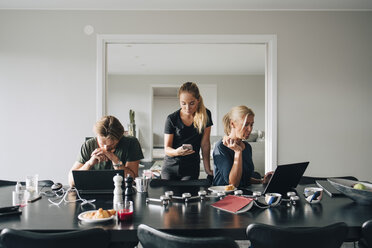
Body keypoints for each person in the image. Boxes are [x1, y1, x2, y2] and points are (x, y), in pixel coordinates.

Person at [68, 115, 144, 187]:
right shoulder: (88, 145)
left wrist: (115, 160)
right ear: (97, 136)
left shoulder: (131, 143)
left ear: (120, 138)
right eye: (102, 143)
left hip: (122, 193)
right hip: (92, 194)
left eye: (111, 145)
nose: (106, 148)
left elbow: (133, 180)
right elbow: (71, 182)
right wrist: (89, 164)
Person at [162, 82, 213, 180]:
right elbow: (167, 148)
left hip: (191, 167)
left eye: (192, 103)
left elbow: (205, 143)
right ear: (179, 101)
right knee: (169, 195)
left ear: (198, 100)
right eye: (183, 103)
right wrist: (177, 152)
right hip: (170, 167)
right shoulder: (171, 119)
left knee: (189, 194)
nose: (187, 108)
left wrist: (208, 169)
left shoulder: (206, 114)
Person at [213, 105, 272, 187]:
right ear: (232, 124)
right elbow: (233, 184)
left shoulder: (247, 147)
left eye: (251, 125)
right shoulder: (221, 147)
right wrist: (238, 152)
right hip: (225, 196)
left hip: (244, 194)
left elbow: (244, 179)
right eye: (246, 124)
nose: (250, 129)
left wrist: (262, 181)